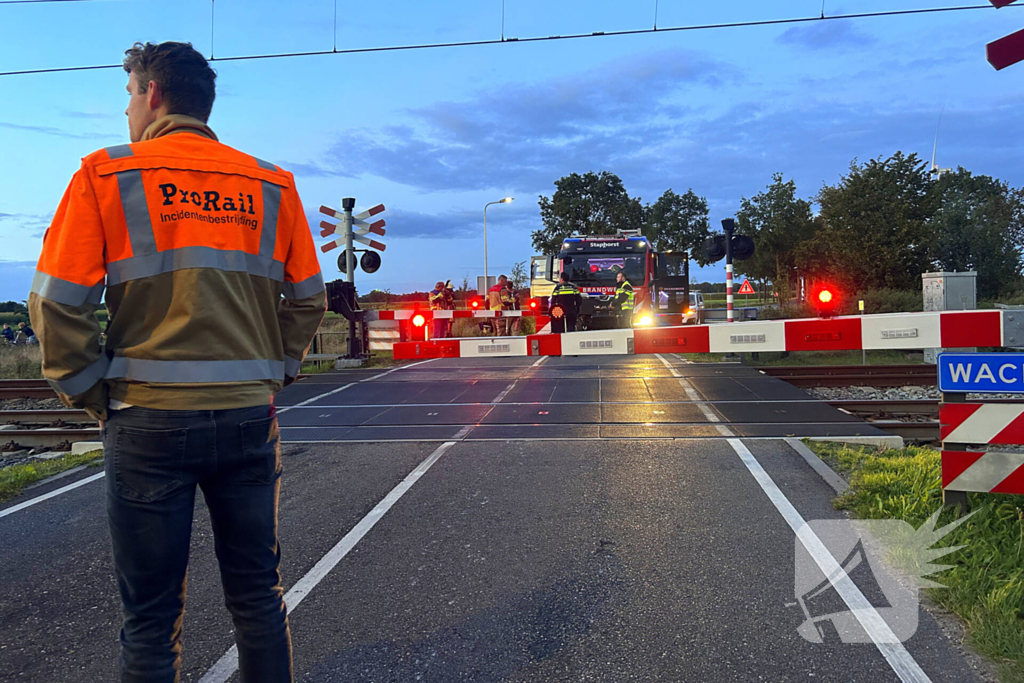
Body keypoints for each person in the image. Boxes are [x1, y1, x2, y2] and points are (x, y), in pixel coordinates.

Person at [28, 41, 325, 683]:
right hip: (250, 417)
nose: (129, 111)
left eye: (130, 95)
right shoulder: (270, 185)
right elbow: (308, 299)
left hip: (146, 421)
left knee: (152, 621)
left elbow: (55, 306)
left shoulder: (105, 176)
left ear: (153, 94)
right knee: (257, 599)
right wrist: (273, 368)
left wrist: (90, 391)